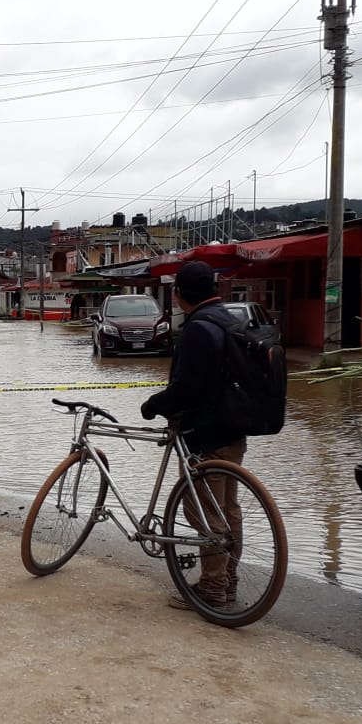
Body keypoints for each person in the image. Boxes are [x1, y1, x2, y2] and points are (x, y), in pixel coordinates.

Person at [139, 260, 245, 611]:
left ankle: (213, 589)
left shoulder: (199, 328)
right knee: (229, 510)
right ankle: (229, 582)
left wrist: (153, 404)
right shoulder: (231, 321)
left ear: (179, 294)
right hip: (235, 429)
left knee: (205, 515)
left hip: (206, 435)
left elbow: (187, 388)